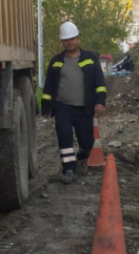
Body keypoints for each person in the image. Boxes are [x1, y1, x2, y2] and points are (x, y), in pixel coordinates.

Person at [41, 22, 107, 184]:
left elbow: (99, 83)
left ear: (78, 38)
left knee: (87, 142)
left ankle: (82, 155)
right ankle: (69, 169)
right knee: (64, 138)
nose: (69, 42)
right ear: (62, 42)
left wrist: (100, 102)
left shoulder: (90, 59)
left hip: (84, 107)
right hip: (62, 107)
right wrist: (45, 107)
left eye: (72, 39)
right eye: (65, 40)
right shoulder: (56, 62)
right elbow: (48, 86)